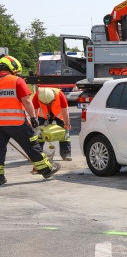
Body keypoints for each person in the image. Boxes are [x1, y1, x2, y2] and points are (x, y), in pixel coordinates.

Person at [0, 56, 60, 184]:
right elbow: (27, 101)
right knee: (31, 146)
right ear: (12, 68)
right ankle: (46, 170)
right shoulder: (17, 81)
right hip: (17, 123)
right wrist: (33, 117)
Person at [32, 87, 73, 161]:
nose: (47, 105)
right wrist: (35, 126)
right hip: (44, 115)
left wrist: (66, 126)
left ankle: (66, 154)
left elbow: (65, 112)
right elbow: (33, 112)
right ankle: (37, 155)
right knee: (40, 134)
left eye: (49, 103)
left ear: (53, 98)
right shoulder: (37, 96)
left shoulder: (60, 95)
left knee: (64, 134)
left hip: (59, 115)